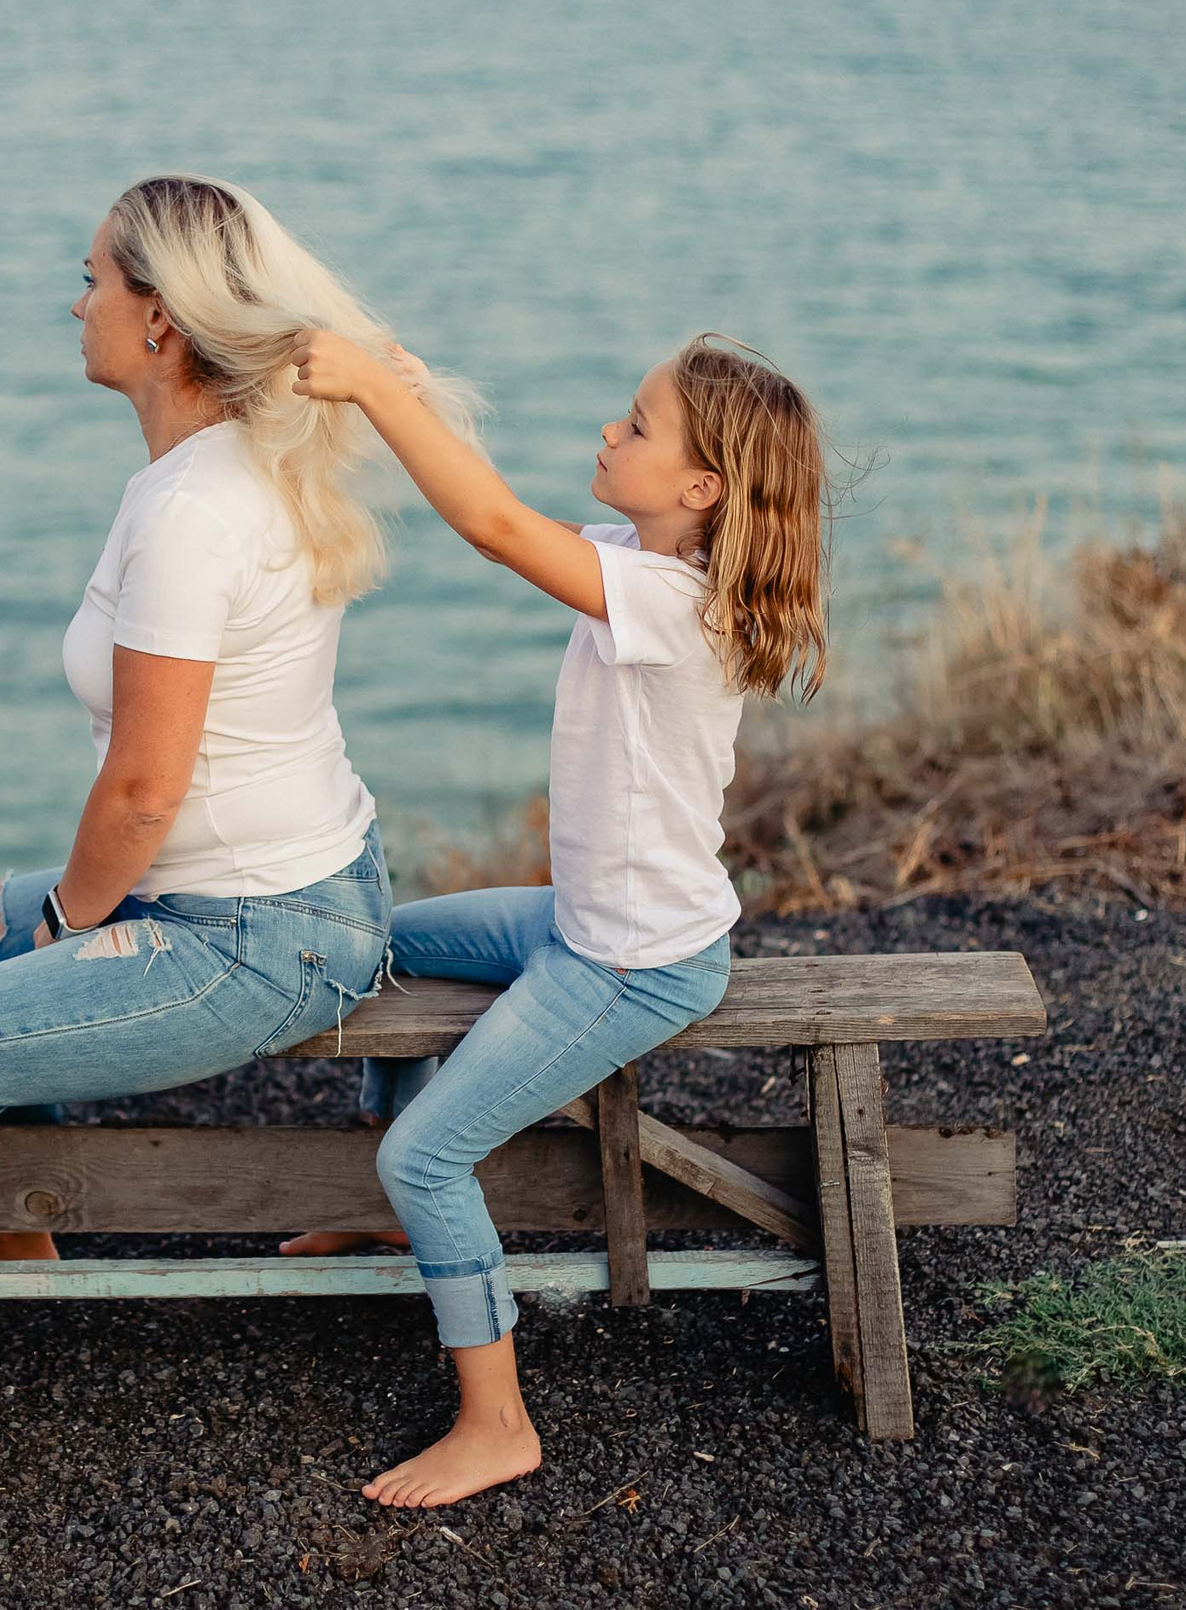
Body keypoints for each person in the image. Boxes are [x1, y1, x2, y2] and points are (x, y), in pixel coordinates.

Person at [0, 175, 477, 1494]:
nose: (73, 298)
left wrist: (62, 932)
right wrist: (21, 938)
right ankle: (11, 1238)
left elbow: (143, 792)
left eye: (93, 276)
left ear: (159, 321)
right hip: (292, 881)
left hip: (259, 929)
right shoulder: (220, 461)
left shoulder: (198, 506)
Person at [286, 327, 835, 1507]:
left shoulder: (666, 602)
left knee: (425, 1156)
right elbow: (498, 510)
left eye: (635, 425)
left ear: (701, 489)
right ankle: (397, 1226)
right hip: (581, 920)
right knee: (365, 943)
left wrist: (381, 391)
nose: (607, 432)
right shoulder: (641, 564)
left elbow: (488, 527)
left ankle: (496, 1424)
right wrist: (419, 399)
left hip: (632, 965)